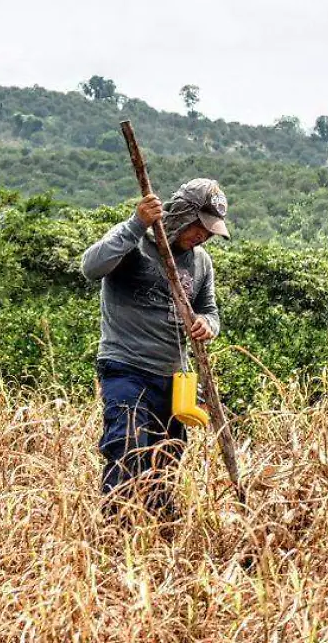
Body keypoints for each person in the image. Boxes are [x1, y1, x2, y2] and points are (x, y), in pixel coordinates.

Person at [79, 177, 227, 521]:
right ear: (180, 214)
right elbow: (90, 267)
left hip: (175, 379)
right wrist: (137, 223)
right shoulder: (134, 242)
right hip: (126, 368)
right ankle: (117, 535)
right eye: (198, 227)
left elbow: (210, 311)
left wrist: (207, 326)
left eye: (208, 232)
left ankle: (158, 539)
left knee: (167, 458)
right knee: (127, 448)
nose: (202, 236)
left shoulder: (201, 262)